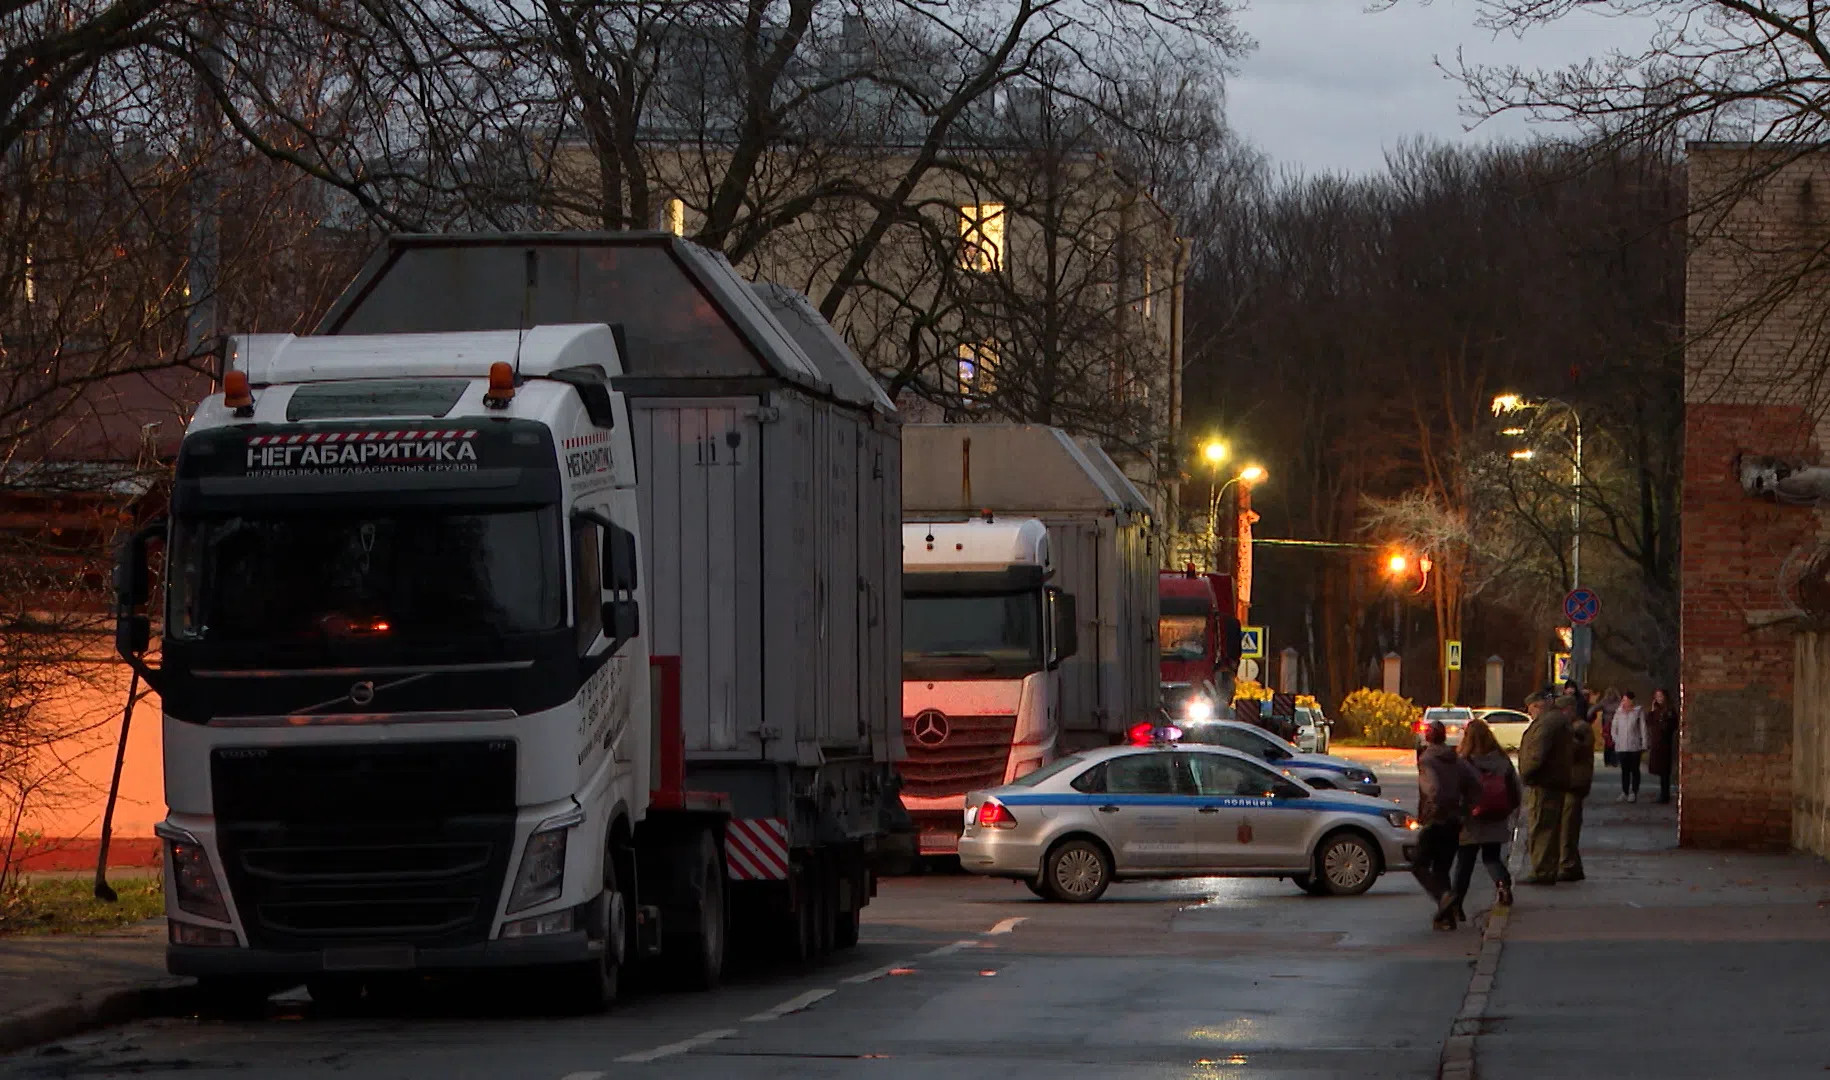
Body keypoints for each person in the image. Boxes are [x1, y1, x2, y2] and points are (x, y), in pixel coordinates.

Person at [1448, 718, 1521, 915]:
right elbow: (1514, 788)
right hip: (1496, 815)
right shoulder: (1501, 759)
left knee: (1464, 863)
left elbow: (1455, 791)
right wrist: (1512, 810)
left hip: (1471, 819)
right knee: (1492, 857)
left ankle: (1456, 904)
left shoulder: (1463, 761)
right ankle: (1503, 884)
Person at [1415, 720, 1482, 930]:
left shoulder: (1427, 759)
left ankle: (1444, 896)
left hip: (1436, 819)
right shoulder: (1455, 758)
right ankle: (1446, 917)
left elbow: (1432, 788)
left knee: (1419, 863)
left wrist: (1432, 809)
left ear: (1429, 737)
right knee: (1442, 867)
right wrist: (1466, 808)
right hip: (1455, 819)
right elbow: (1476, 784)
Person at [1517, 689, 1574, 885]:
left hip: (1544, 782)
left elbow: (1537, 754)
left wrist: (1526, 773)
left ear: (1538, 705)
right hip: (1552, 781)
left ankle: (1541, 870)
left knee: (1541, 827)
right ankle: (1546, 868)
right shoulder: (1554, 721)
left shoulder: (1547, 724)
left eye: (1531, 708)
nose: (1530, 713)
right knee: (1548, 827)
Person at [1561, 695, 1596, 881]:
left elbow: (1575, 750)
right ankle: (1571, 864)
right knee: (1568, 825)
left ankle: (1568, 865)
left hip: (1575, 782)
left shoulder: (1580, 728)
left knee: (1568, 826)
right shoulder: (1576, 728)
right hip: (1573, 781)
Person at [1612, 690, 1648, 802]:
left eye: (1627, 699)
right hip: (1622, 746)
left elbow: (1643, 727)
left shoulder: (1638, 711)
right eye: (1623, 699)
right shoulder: (1618, 712)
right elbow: (1614, 728)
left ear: (1631, 701)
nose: (1624, 702)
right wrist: (1617, 740)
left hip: (1634, 745)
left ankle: (1634, 792)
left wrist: (1644, 742)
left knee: (1634, 770)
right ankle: (1624, 791)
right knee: (1624, 770)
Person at [1648, 688, 1678, 804]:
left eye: (1660, 696)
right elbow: (1649, 721)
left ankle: (1665, 795)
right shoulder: (1656, 710)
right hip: (1656, 742)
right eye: (1657, 696)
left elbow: (1671, 725)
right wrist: (1652, 710)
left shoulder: (1669, 710)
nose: (1659, 698)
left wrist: (1663, 723)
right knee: (1660, 771)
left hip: (1665, 743)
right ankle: (1663, 793)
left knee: (1664, 771)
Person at [1598, 687, 1622, 767]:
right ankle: (1609, 760)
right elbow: (1595, 708)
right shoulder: (1604, 702)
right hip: (1606, 724)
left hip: (1616, 724)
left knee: (1615, 742)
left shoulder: (1619, 703)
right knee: (1608, 742)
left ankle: (1613, 760)